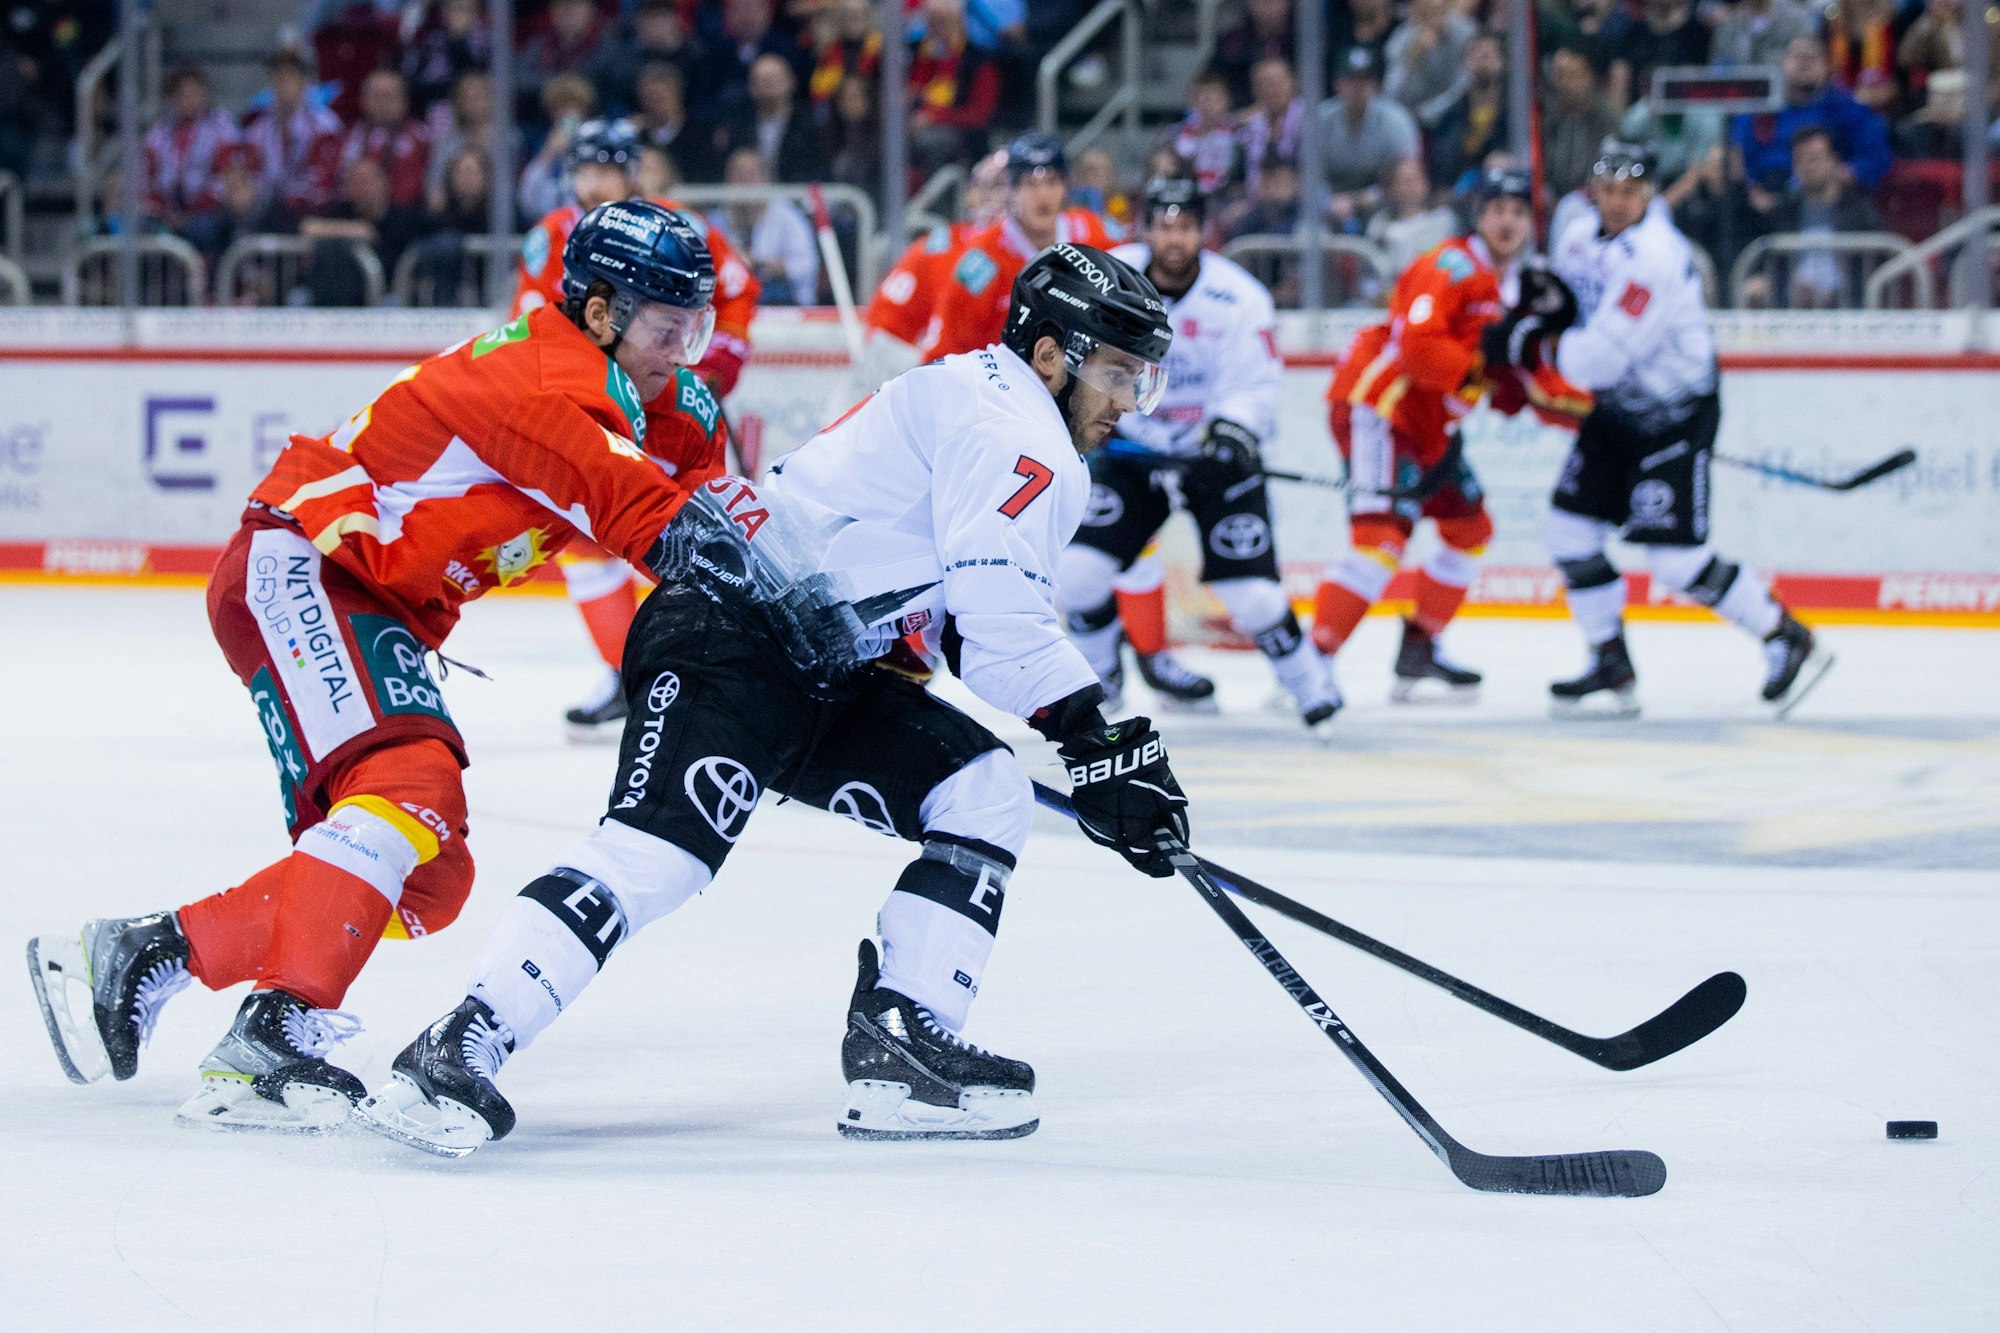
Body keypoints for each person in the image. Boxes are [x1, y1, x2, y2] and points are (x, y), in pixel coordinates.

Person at [355, 243, 1192, 1155]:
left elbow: (955, 619)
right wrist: (1097, 742)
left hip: (815, 660)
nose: (1126, 401)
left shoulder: (977, 395)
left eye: (1139, 379)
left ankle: (902, 1043)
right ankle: (459, 1040)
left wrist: (1098, 748)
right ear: (1050, 357)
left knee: (981, 789)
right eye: (1115, 373)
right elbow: (998, 615)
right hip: (731, 636)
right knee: (658, 854)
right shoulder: (1023, 437)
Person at [27, 201, 727, 1130]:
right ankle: (273, 1037)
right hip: (309, 562)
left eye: (697, 327)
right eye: (663, 327)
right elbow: (663, 526)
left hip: (364, 598)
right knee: (411, 780)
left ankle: (148, 950)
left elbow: (730, 506)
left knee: (432, 876)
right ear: (599, 312)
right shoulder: (547, 385)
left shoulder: (642, 396)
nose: (682, 350)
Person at [1481, 140, 1833, 716]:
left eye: (1631, 192)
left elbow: (1597, 360)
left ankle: (1784, 635)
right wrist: (1537, 310)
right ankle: (1610, 662)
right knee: (1569, 535)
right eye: (1608, 190)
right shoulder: (1577, 232)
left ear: (1648, 194)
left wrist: (1524, 344)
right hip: (1617, 412)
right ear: (1593, 189)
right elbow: (1569, 301)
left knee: (1675, 562)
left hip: (1675, 414)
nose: (1617, 202)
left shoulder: (1657, 259)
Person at [1056, 179, 1340, 733]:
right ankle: (1102, 676)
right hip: (1134, 451)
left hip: (1209, 458)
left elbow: (1256, 382)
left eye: (1185, 226)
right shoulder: (1109, 280)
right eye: (1164, 225)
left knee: (1252, 598)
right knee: (1078, 576)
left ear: (1202, 232)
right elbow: (1076, 353)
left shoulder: (1238, 297)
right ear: (1148, 229)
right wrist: (1092, 410)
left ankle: (1311, 686)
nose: (1174, 238)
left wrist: (1233, 430)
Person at [510, 119, 762, 730]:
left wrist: (719, 356)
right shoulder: (552, 236)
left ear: (631, 171)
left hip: (664, 408)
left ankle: (701, 665)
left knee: (688, 531)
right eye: (583, 170)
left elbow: (735, 289)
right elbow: (535, 320)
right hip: (592, 411)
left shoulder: (676, 227)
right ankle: (627, 670)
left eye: (604, 169)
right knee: (584, 539)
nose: (592, 183)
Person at [1313, 166, 1573, 701]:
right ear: (1478, 217)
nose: (1508, 221)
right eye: (1497, 210)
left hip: (1431, 428)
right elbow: (1420, 351)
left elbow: (1510, 382)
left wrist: (1576, 408)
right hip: (1382, 411)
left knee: (1469, 529)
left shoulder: (1518, 288)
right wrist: (1488, 368)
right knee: (1380, 542)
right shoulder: (1449, 266)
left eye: (1519, 212)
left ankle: (1419, 650)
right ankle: (1311, 662)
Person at [914, 132, 1120, 364]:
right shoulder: (982, 262)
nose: (1043, 195)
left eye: (1052, 182)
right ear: (1010, 191)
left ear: (1065, 188)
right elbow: (944, 353)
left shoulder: (1098, 234)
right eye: (1030, 184)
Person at [862, 147, 1007, 353]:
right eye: (993, 186)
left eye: (1014, 185)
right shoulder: (936, 251)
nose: (1004, 197)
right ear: (970, 194)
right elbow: (884, 333)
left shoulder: (1059, 249)